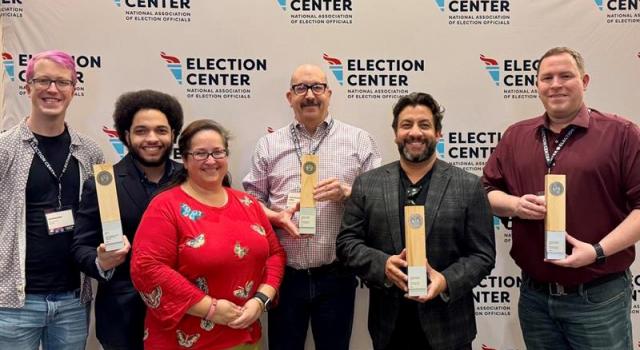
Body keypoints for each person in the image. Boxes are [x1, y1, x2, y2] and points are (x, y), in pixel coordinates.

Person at [482, 46, 640, 349]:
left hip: (598, 296)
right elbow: (485, 192)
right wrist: (515, 205)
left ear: (585, 80)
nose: (555, 84)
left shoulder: (621, 134)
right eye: (547, 78)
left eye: (566, 76)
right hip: (534, 297)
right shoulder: (516, 136)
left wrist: (597, 250)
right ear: (537, 85)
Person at [336, 92, 495, 350]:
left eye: (424, 125)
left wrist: (445, 281)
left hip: (450, 328)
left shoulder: (468, 186)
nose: (415, 133)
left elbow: (483, 255)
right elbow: (347, 244)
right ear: (396, 133)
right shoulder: (368, 183)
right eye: (406, 125)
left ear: (438, 133)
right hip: (389, 327)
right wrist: (383, 265)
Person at [242, 64, 381, 350]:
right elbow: (250, 204)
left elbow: (380, 202)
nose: (309, 95)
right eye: (300, 88)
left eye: (317, 87)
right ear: (289, 96)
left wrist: (348, 193)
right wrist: (277, 217)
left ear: (329, 93)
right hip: (284, 277)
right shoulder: (269, 144)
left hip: (337, 275)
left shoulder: (359, 140)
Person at [130, 119, 285, 350]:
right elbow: (147, 268)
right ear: (184, 159)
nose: (211, 161)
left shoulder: (248, 203)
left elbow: (275, 254)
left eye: (218, 152)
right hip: (185, 341)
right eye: (200, 153)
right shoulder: (165, 207)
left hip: (245, 336)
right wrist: (210, 308)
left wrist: (261, 300)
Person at [0, 50, 104, 349]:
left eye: (62, 82)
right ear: (27, 86)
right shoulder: (5, 149)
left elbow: (98, 218)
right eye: (43, 80)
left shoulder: (90, 152)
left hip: (73, 298)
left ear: (74, 89)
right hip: (14, 301)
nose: (52, 89)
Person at [72, 89, 184, 349]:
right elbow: (80, 247)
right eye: (141, 131)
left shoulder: (191, 180)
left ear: (174, 135)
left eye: (161, 130)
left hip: (185, 313)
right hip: (123, 318)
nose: (152, 138)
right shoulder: (103, 183)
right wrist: (101, 261)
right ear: (125, 135)